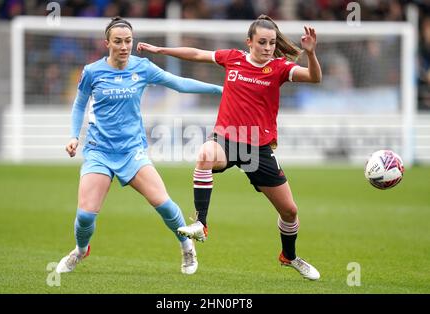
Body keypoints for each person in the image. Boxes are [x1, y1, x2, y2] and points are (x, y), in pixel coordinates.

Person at [137, 15, 322, 280]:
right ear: (249, 42)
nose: (268, 47)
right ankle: (201, 223)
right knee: (204, 155)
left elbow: (314, 78)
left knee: (290, 211)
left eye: (271, 43)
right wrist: (160, 50)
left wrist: (311, 54)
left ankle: (289, 256)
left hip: (257, 149)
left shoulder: (280, 68)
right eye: (262, 42)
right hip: (228, 138)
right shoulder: (233, 58)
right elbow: (197, 54)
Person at [55, 17, 223, 275]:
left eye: (128, 41)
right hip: (99, 151)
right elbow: (79, 104)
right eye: (118, 41)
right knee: (86, 216)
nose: (124, 46)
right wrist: (73, 136)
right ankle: (80, 250)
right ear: (107, 43)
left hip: (132, 152)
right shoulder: (92, 71)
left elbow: (178, 83)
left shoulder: (142, 67)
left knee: (164, 205)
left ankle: (187, 246)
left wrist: (220, 90)